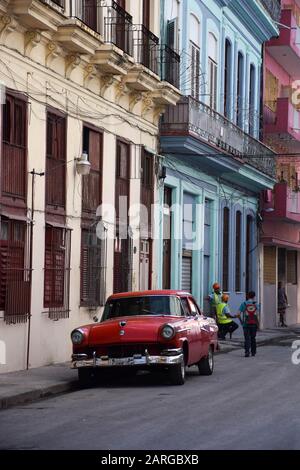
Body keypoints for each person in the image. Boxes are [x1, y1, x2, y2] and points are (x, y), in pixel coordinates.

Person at [237, 291, 259, 358]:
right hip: (254, 324)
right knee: (253, 338)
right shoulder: (256, 304)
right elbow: (257, 314)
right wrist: (257, 323)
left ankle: (247, 352)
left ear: (247, 296)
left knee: (247, 338)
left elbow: (238, 314)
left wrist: (241, 322)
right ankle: (253, 352)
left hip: (246, 324)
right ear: (254, 296)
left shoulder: (243, 304)